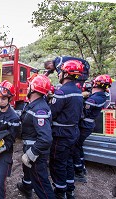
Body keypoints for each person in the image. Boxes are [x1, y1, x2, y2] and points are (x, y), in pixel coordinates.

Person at [48, 60, 84, 199]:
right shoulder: (78, 91)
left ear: (65, 73)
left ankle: (60, 191)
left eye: (60, 72)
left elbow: (53, 113)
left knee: (58, 163)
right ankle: (70, 190)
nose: (58, 75)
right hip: (73, 133)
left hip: (61, 135)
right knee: (68, 161)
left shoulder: (62, 92)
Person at [17, 74, 55, 199]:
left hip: (36, 153)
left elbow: (45, 139)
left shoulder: (40, 109)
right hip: (30, 147)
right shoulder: (34, 104)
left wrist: (30, 154)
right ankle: (26, 187)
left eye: (29, 85)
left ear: (32, 88)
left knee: (41, 183)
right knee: (28, 172)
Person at [73, 74, 112, 182]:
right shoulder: (100, 96)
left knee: (75, 146)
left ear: (96, 83)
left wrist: (79, 98)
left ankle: (79, 172)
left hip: (85, 126)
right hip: (87, 125)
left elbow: (82, 112)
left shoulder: (96, 98)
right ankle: (82, 166)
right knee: (78, 145)